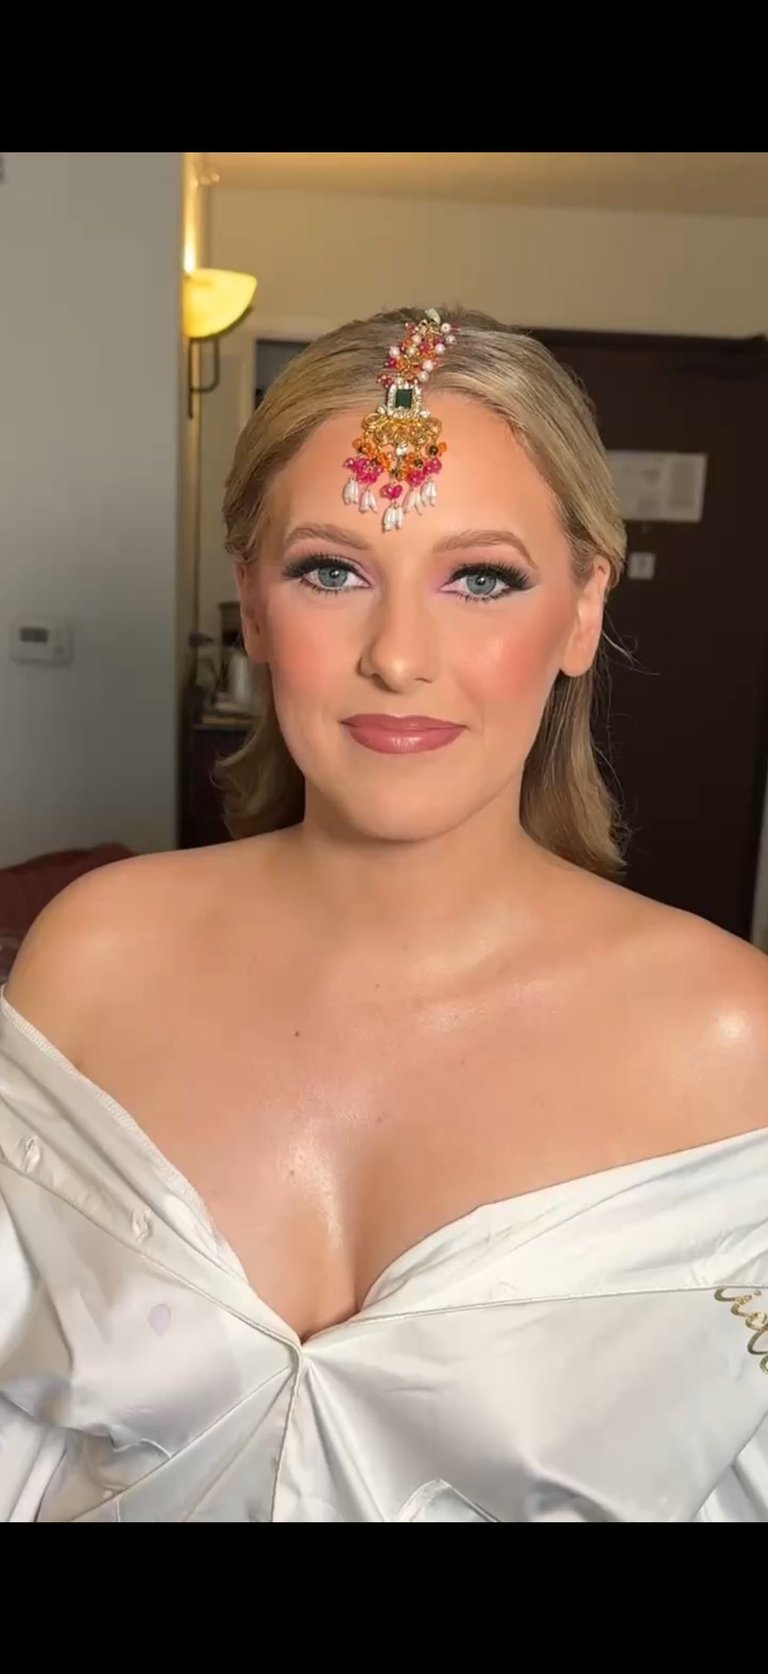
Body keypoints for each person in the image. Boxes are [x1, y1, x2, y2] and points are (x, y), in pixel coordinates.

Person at [1, 306, 766, 1523]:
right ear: (254, 605)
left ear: (582, 609)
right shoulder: (94, 959)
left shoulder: (730, 1042)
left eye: (481, 578)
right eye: (331, 570)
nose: (399, 655)